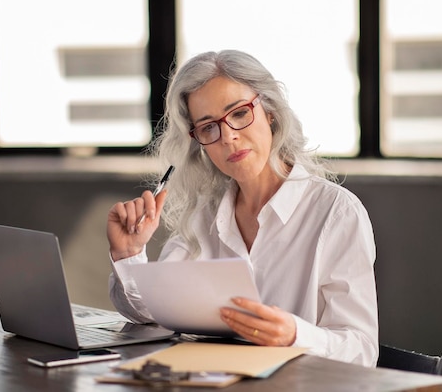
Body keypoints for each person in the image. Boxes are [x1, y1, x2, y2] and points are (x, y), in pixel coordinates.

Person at [107, 50, 378, 367]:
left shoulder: (336, 212)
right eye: (208, 127)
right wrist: (129, 254)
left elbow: (362, 350)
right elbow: (156, 314)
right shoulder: (204, 215)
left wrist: (295, 335)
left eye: (238, 113)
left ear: (270, 112)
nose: (229, 137)